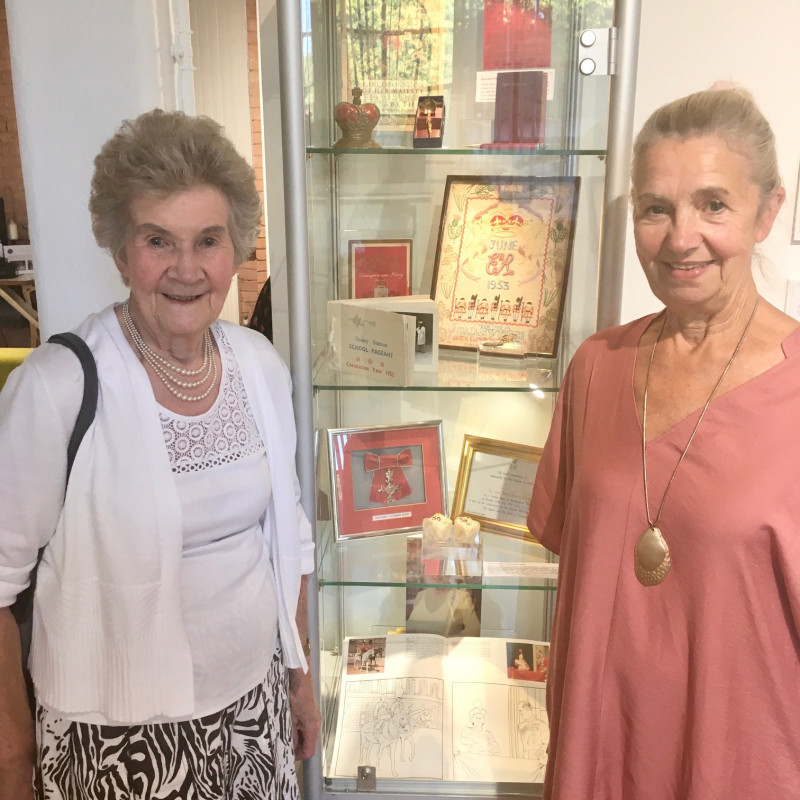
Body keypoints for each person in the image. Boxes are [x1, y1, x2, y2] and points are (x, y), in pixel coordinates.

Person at [0, 109, 320, 799]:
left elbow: (288, 534)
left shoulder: (259, 365)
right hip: (116, 744)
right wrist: (11, 759)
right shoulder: (56, 389)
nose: (185, 268)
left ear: (236, 250)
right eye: (157, 240)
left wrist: (299, 678)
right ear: (121, 251)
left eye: (208, 240)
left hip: (252, 720)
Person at [527, 85, 800, 799]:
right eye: (657, 208)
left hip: (741, 767)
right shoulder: (597, 368)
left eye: (714, 204)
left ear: (768, 211)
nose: (682, 238)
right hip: (599, 754)